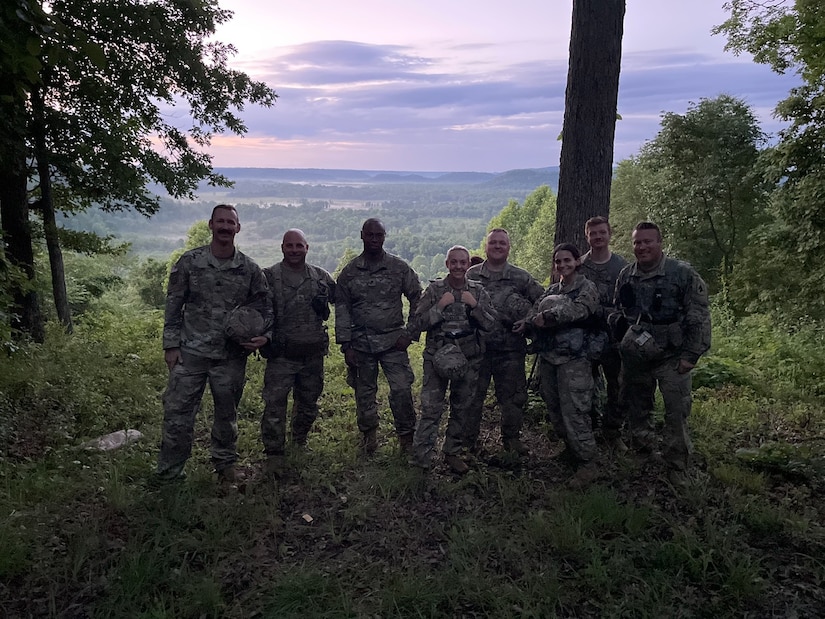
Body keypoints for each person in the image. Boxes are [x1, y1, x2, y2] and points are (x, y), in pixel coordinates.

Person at [157, 204, 272, 484]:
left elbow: (266, 308)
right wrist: (171, 345)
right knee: (177, 415)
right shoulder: (190, 262)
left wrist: (264, 336)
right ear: (210, 225)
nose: (224, 227)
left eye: (230, 222)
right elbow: (173, 305)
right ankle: (170, 474)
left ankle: (225, 466)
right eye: (220, 221)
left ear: (238, 228)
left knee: (227, 416)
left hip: (229, 357)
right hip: (190, 353)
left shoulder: (249, 269)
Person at [610, 221, 711, 487]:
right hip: (637, 356)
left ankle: (677, 464)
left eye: (647, 242)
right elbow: (619, 309)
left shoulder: (681, 273)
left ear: (659, 243)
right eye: (637, 242)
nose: (641, 247)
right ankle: (642, 452)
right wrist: (622, 333)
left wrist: (691, 355)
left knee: (676, 412)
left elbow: (699, 317)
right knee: (637, 408)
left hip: (672, 355)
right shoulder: (626, 275)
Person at [335, 218, 422, 455]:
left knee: (402, 389)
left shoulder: (398, 268)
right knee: (364, 393)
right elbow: (342, 308)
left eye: (379, 235)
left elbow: (418, 298)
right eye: (370, 235)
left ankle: (406, 438)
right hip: (361, 343)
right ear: (362, 235)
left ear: (385, 237)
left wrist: (410, 333)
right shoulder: (350, 272)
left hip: (394, 341)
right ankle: (369, 437)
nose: (374, 240)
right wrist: (346, 345)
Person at [409, 245, 496, 474]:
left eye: (463, 262)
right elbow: (417, 324)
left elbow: (491, 325)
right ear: (447, 264)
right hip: (437, 357)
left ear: (469, 265)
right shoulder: (435, 290)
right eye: (454, 262)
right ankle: (421, 460)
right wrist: (440, 307)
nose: (458, 266)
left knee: (462, 407)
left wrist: (474, 306)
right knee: (430, 408)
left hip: (468, 357)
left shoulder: (477, 291)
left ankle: (452, 452)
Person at [260, 229, 335, 476]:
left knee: (308, 403)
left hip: (312, 354)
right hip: (281, 354)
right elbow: (254, 310)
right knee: (274, 405)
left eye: (299, 246)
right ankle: (274, 454)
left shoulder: (320, 277)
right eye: (290, 245)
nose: (294, 250)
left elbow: (343, 299)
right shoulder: (269, 277)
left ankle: (299, 440)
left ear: (307, 247)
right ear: (282, 247)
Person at [526, 243, 601, 487]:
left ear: (577, 262)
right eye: (558, 261)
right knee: (555, 408)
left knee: (576, 412)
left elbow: (581, 310)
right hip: (550, 358)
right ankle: (571, 450)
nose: (563, 265)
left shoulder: (586, 288)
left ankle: (588, 464)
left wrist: (549, 317)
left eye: (567, 260)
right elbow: (535, 311)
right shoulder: (552, 290)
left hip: (574, 359)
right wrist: (525, 324)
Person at [465, 228, 544, 455]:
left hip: (510, 349)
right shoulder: (471, 275)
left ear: (509, 247)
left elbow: (543, 299)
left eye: (502, 243)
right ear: (486, 247)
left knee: (513, 398)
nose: (497, 247)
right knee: (472, 398)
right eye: (493, 243)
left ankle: (511, 440)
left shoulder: (520, 277)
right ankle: (468, 443)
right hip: (477, 349)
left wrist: (529, 321)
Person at [579, 216, 628, 449]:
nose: (598, 237)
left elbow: (629, 303)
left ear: (609, 234)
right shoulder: (579, 266)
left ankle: (612, 431)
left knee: (618, 386)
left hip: (613, 339)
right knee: (584, 385)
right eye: (593, 233)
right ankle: (587, 430)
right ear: (586, 236)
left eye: (602, 233)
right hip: (584, 338)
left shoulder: (622, 267)